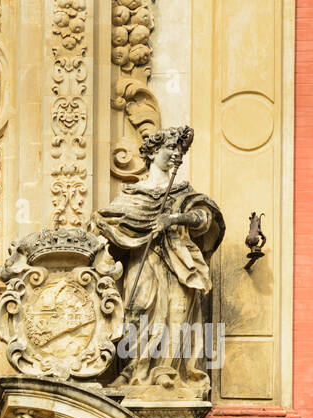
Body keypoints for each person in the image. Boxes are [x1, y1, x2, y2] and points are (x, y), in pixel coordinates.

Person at [90, 126, 224, 390]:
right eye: (169, 148)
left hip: (178, 264)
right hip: (143, 261)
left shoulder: (183, 191)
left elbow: (204, 218)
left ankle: (166, 370)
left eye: (179, 150)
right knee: (138, 311)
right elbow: (108, 224)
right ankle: (132, 371)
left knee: (176, 315)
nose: (175, 154)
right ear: (153, 153)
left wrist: (173, 218)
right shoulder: (133, 195)